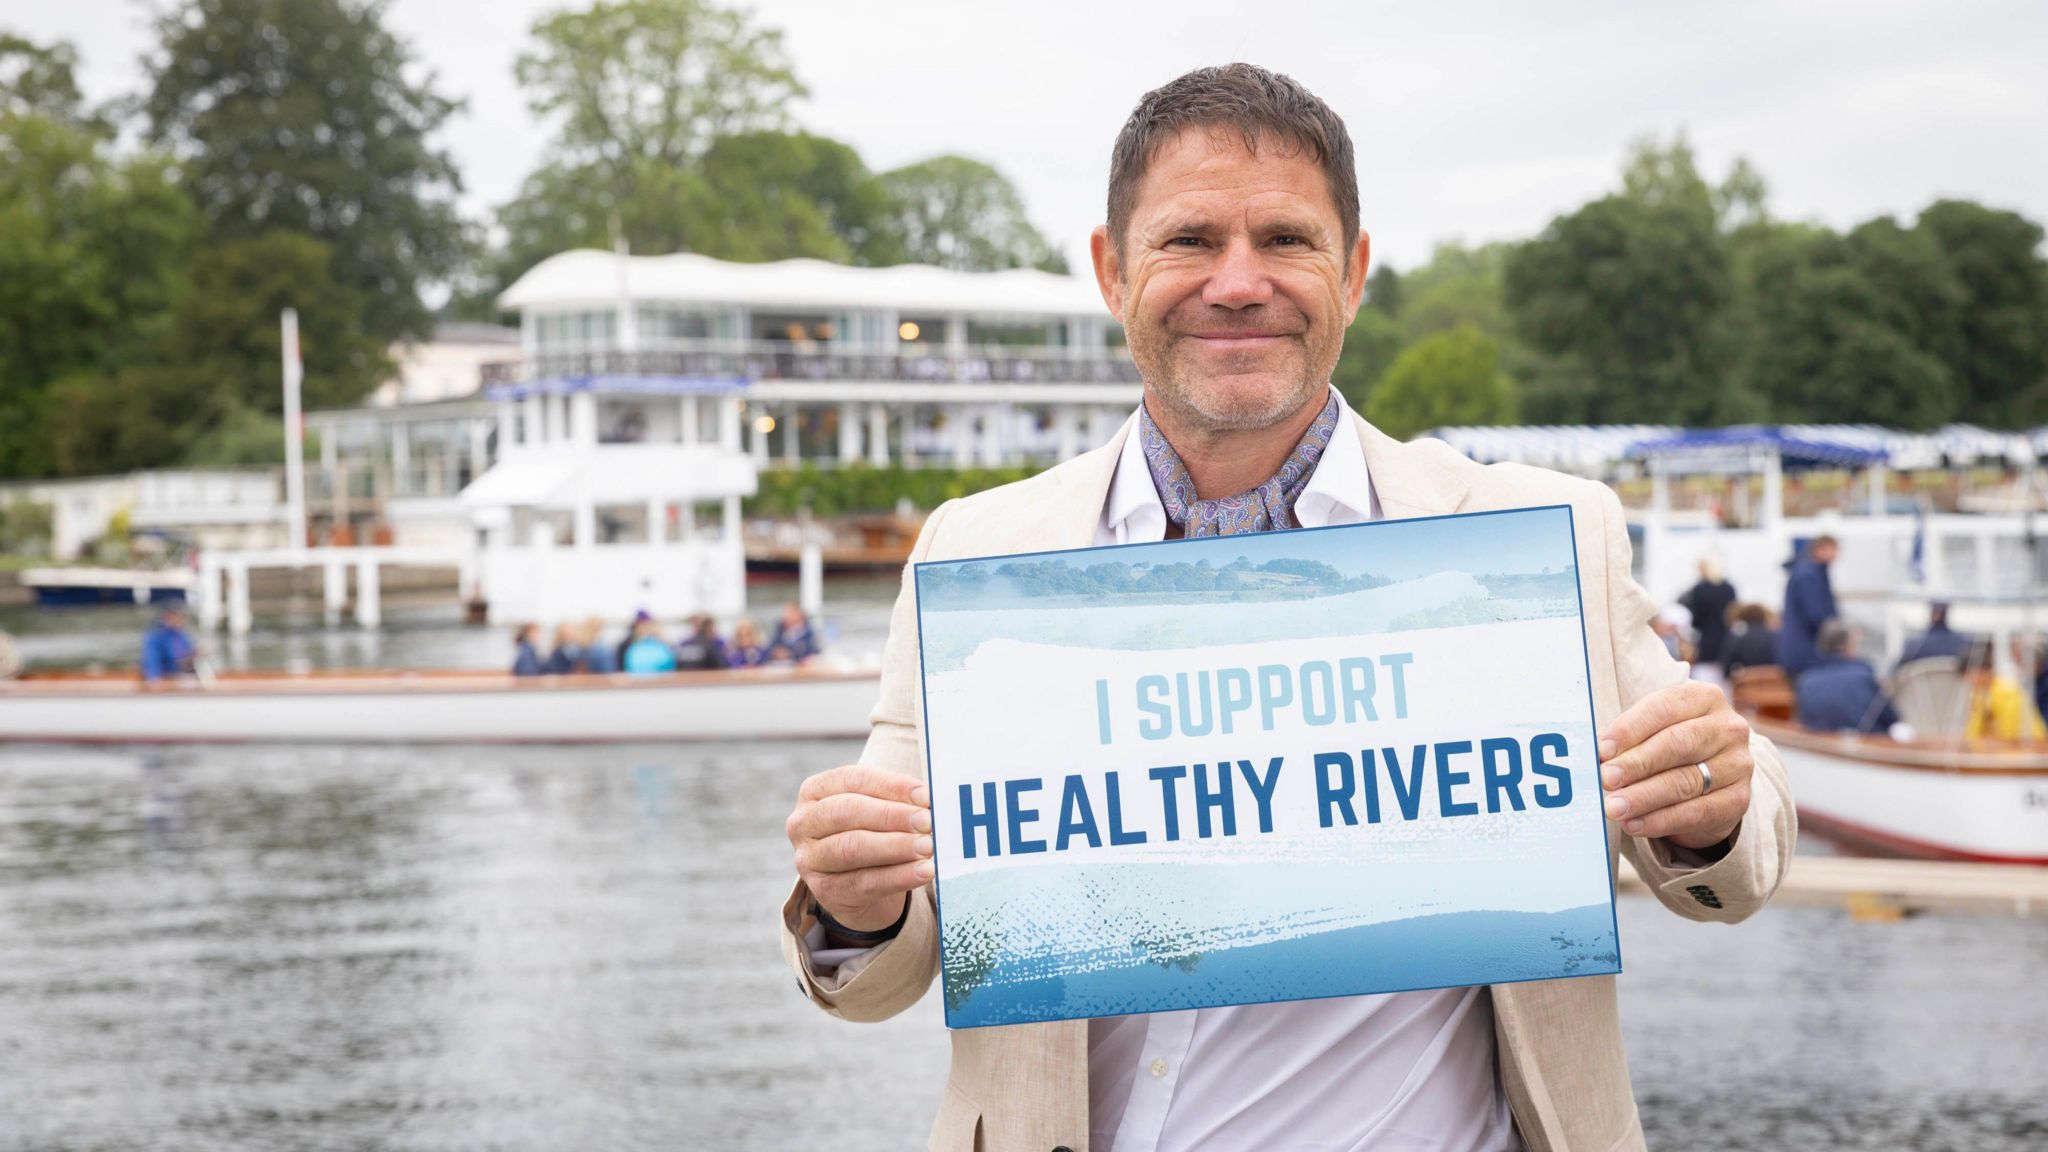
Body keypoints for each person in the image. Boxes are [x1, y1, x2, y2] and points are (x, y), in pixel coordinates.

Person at [778, 64, 1793, 1152]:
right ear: (1109, 269)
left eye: (1285, 241)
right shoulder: (976, 556)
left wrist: (1708, 802)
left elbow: (1743, 859)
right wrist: (853, 901)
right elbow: (877, 976)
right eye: (1187, 241)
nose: (1236, 282)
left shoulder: (1535, 542)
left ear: (1352, 273)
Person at [1793, 619, 1899, 733]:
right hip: (1863, 742)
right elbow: (1890, 718)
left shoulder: (1805, 680)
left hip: (1818, 743)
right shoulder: (1863, 675)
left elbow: (1803, 720)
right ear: (1848, 646)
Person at [1776, 534, 1838, 678]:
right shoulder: (1809, 575)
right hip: (1807, 649)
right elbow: (1815, 614)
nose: (1835, 554)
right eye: (1832, 549)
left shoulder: (1807, 572)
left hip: (1800, 647)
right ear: (1819, 549)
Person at [1964, 639, 2047, 742]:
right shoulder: (1978, 693)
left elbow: (2011, 732)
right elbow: (1973, 731)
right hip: (2001, 746)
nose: (1969, 679)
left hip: (2030, 744)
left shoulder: (2006, 691)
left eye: (1972, 674)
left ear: (1986, 671)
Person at [1678, 556, 1737, 668]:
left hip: (1707, 643)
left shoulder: (1700, 590)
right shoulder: (1729, 589)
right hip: (1726, 641)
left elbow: (1696, 620)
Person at [1894, 601, 1971, 671]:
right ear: (1946, 612)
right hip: (1957, 686)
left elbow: (1896, 670)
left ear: (1932, 613)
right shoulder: (1963, 643)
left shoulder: (1915, 644)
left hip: (1920, 685)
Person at [1722, 602, 1780, 679]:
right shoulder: (1777, 638)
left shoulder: (1739, 640)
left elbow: (1727, 670)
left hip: (1749, 685)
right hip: (1776, 685)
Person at [140, 607, 197, 682]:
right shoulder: (156, 636)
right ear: (167, 618)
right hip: (164, 675)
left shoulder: (181, 635)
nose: (180, 621)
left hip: (179, 674)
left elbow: (184, 656)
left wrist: (194, 654)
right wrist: (154, 679)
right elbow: (152, 659)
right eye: (176, 618)